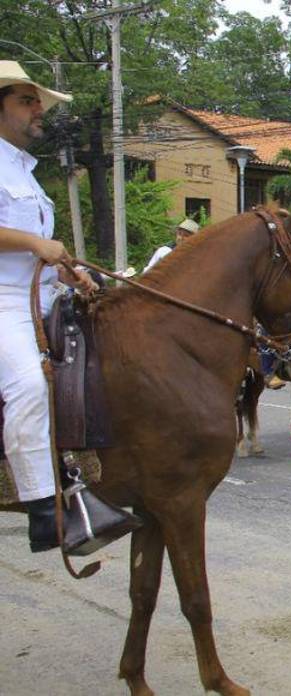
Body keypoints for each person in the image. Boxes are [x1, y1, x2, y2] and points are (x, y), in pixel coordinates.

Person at [0, 61, 130, 553]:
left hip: (41, 296)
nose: (38, 109)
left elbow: (35, 253)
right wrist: (36, 243)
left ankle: (86, 475)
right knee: (29, 385)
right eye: (26, 100)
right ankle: (44, 509)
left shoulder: (26, 171)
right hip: (4, 302)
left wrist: (66, 271)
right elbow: (25, 243)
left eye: (38, 101)